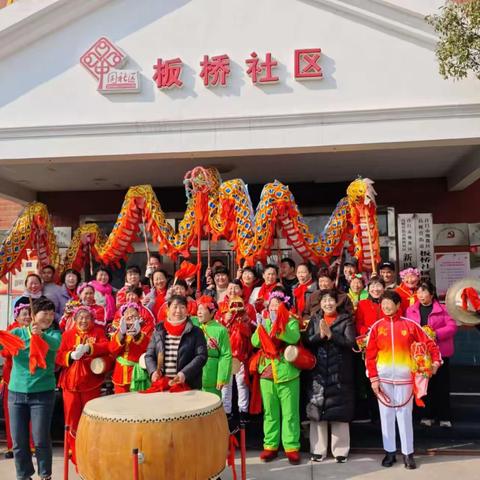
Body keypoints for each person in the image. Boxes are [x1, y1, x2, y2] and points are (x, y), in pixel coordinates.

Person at [365, 290, 441, 470]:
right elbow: (369, 355)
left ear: (399, 305)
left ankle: (408, 453)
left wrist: (436, 361)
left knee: (404, 415)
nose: (386, 306)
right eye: (383, 303)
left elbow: (430, 343)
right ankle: (389, 452)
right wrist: (373, 379)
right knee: (386, 415)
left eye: (389, 303)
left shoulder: (411, 325)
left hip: (405, 378)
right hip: (383, 379)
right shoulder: (376, 327)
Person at [3, 298, 61, 480]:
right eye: (46, 313)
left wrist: (40, 335)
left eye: (52, 314)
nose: (49, 317)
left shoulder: (54, 335)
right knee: (19, 442)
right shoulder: (17, 333)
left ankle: (45, 475)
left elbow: (55, 345)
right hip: (16, 394)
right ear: (34, 315)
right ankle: (24, 475)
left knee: (41, 439)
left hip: (42, 395)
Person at [303, 289, 356, 463]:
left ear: (336, 302)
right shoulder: (315, 319)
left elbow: (350, 342)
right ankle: (318, 449)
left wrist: (332, 335)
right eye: (324, 301)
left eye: (331, 300)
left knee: (339, 411)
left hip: (339, 372)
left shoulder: (345, 319)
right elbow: (307, 341)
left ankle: (340, 450)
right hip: (318, 371)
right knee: (317, 409)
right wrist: (320, 335)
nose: (328, 304)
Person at [251, 290, 301, 465]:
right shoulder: (263, 321)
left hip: (287, 372)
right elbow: (255, 342)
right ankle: (270, 446)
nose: (273, 307)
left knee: (290, 413)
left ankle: (291, 447)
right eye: (271, 304)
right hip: (266, 370)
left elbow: (294, 337)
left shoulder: (292, 321)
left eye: (277, 304)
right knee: (270, 412)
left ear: (284, 307)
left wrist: (278, 325)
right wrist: (260, 328)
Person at [56, 306, 110, 459]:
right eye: (81, 317)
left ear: (92, 319)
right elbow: (58, 356)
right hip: (70, 383)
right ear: (74, 319)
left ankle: (90, 449)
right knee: (71, 417)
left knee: (90, 417)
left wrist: (90, 348)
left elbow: (107, 347)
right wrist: (71, 355)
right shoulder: (67, 335)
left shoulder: (98, 333)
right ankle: (71, 450)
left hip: (90, 382)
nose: (84, 320)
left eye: (87, 317)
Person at [406, 280, 457, 428]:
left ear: (432, 293)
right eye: (419, 292)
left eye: (424, 291)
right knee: (424, 386)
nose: (421, 295)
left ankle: (444, 417)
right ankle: (427, 415)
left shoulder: (443, 308)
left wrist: (435, 334)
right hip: (421, 355)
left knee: (441, 385)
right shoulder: (411, 310)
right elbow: (408, 327)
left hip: (440, 354)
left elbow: (452, 326)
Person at [144, 295, 208, 389]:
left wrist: (184, 374)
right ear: (168, 309)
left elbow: (201, 356)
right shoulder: (159, 331)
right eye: (175, 307)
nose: (178, 311)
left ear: (187, 310)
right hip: (162, 384)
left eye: (182, 307)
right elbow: (149, 355)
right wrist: (153, 372)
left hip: (187, 385)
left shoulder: (196, 332)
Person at [1, 304, 34, 459]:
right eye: (23, 314)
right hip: (12, 379)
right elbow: (5, 352)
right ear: (16, 317)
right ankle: (12, 446)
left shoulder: (36, 331)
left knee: (33, 415)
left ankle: (32, 446)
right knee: (12, 416)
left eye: (29, 314)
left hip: (32, 379)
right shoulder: (11, 331)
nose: (27, 317)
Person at [217, 286, 254, 422]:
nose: (232, 291)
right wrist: (224, 320)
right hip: (226, 353)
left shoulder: (249, 308)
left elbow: (254, 329)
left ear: (241, 290)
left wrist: (246, 320)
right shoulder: (221, 307)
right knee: (226, 384)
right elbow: (215, 329)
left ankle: (243, 413)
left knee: (242, 383)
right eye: (230, 288)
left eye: (236, 288)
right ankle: (226, 413)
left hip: (242, 353)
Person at [109, 303, 152, 393]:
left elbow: (149, 348)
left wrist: (138, 335)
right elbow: (112, 349)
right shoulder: (119, 330)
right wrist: (122, 334)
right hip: (121, 374)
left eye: (133, 314)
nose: (130, 316)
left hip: (140, 373)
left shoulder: (147, 328)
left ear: (139, 316)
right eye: (127, 315)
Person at [194, 296, 232, 397]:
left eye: (203, 309)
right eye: (198, 309)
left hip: (212, 372)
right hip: (194, 372)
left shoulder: (221, 330)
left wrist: (222, 377)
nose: (199, 312)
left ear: (212, 312)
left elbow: (225, 355)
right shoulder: (193, 325)